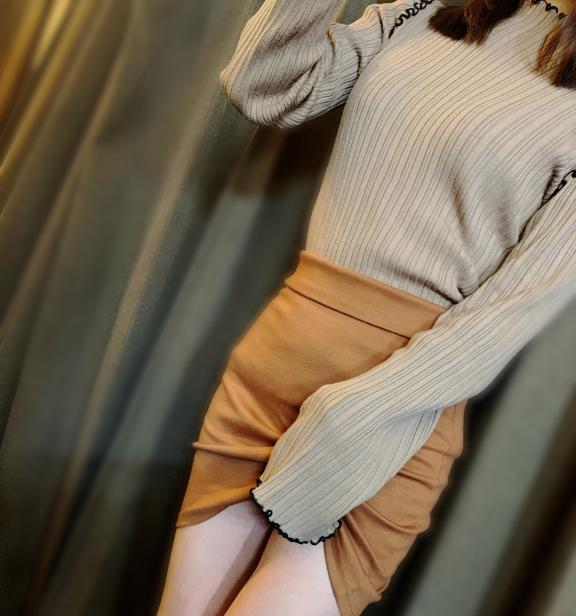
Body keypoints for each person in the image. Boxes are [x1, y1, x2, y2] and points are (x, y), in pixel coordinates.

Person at [158, 0, 576, 614]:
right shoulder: (431, 9)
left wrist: (347, 419)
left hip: (383, 428)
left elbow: (504, 316)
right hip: (264, 382)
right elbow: (266, 88)